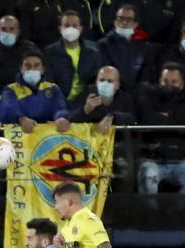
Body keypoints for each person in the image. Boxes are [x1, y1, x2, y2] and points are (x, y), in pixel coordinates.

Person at [135, 63, 185, 194]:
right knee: (148, 175)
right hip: (154, 161)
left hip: (181, 161)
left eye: (174, 82)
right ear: (159, 81)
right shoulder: (148, 97)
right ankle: (151, 214)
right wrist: (175, 119)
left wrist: (163, 118)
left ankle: (180, 213)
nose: (169, 85)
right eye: (165, 81)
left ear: (182, 84)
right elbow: (147, 119)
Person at [0, 50, 71, 134]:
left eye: (36, 66)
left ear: (43, 69)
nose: (32, 69)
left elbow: (59, 107)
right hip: (21, 136)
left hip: (48, 135)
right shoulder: (10, 89)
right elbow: (9, 107)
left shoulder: (52, 88)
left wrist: (61, 118)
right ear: (21, 68)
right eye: (27, 66)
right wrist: (21, 119)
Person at [43, 11, 102, 104]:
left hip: (87, 102)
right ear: (60, 28)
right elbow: (48, 83)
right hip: (59, 103)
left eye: (75, 25)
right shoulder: (49, 53)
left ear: (81, 28)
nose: (71, 29)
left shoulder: (93, 51)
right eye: (66, 25)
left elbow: (96, 80)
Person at [95, 4, 151, 89]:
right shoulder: (103, 45)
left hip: (136, 94)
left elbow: (145, 75)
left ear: (135, 24)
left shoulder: (143, 46)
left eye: (129, 20)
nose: (124, 23)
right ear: (115, 22)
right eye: (121, 18)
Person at [68, 65, 135, 133]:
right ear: (96, 82)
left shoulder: (125, 98)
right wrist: (85, 110)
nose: (105, 84)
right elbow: (69, 118)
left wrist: (113, 117)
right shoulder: (87, 95)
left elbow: (132, 119)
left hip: (116, 140)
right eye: (102, 80)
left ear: (117, 85)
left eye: (110, 81)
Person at [0, 16, 36, 92]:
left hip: (25, 91)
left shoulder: (30, 49)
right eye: (3, 29)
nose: (7, 32)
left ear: (18, 31)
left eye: (11, 29)